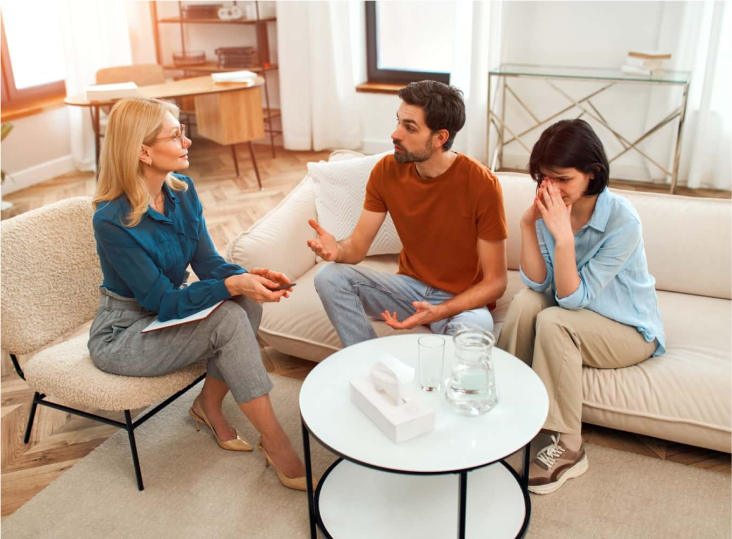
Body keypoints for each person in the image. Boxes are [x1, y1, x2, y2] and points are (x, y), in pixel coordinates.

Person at [87, 97, 311, 491]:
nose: (187, 141)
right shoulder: (111, 220)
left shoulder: (183, 190)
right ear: (143, 151)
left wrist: (246, 278)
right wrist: (230, 285)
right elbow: (160, 302)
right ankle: (276, 442)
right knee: (228, 315)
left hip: (163, 313)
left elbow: (208, 263)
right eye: (176, 135)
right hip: (124, 333)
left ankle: (208, 405)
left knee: (244, 301)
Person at [496, 119, 665, 494]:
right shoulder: (552, 209)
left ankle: (570, 446)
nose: (552, 188)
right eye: (545, 178)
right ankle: (505, 402)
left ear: (593, 173)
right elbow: (538, 283)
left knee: (555, 321)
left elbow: (573, 298)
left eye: (563, 179)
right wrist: (527, 225)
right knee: (525, 302)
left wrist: (563, 237)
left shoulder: (622, 221)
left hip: (628, 330)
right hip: (577, 315)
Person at [307, 80, 508, 346]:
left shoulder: (482, 183)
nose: (395, 134)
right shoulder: (386, 171)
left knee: (477, 328)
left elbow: (496, 282)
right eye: (398, 122)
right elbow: (356, 247)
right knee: (329, 277)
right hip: (407, 289)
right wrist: (337, 251)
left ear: (440, 138)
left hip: (460, 299)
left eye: (409, 127)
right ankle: (366, 360)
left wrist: (440, 311)